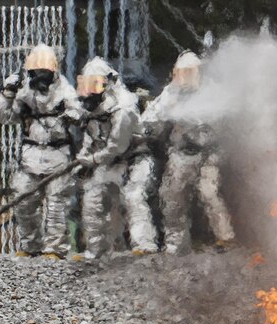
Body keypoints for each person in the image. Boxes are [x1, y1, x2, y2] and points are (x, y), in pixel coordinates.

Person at [0, 44, 82, 259]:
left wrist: (68, 113)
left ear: (54, 71)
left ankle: (55, 250)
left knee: (56, 206)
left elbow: (80, 114)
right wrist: (7, 94)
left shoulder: (65, 90)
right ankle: (30, 245)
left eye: (45, 72)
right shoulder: (24, 93)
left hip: (58, 157)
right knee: (24, 202)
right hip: (30, 157)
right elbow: (4, 117)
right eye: (36, 72)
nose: (41, 76)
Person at [143, 51, 234, 255]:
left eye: (189, 72)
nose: (184, 77)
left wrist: (191, 120)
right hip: (181, 153)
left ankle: (225, 237)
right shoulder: (170, 93)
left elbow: (218, 123)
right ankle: (175, 244)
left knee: (208, 192)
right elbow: (151, 117)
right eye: (181, 72)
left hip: (208, 154)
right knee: (172, 197)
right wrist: (156, 121)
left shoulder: (212, 93)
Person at [73, 57, 139, 262]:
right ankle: (96, 251)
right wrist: (83, 159)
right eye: (87, 83)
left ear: (108, 83)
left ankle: (142, 249)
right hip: (103, 160)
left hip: (130, 160)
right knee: (92, 202)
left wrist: (90, 160)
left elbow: (117, 145)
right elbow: (90, 137)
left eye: (96, 84)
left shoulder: (123, 108)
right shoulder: (93, 108)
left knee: (133, 202)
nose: (90, 90)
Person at [122, 86, 160, 255]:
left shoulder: (151, 114)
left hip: (143, 160)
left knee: (135, 196)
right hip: (120, 162)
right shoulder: (116, 112)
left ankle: (145, 243)